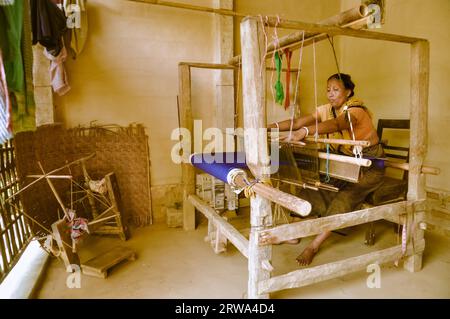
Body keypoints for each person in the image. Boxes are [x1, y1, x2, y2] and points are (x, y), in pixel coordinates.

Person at [268, 73, 385, 266]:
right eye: (328, 89)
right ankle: (293, 233)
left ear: (348, 92)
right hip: (346, 164)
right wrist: (266, 128)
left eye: (336, 90)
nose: (330, 94)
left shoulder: (357, 111)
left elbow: (338, 124)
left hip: (370, 167)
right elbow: (297, 122)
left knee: (344, 198)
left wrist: (304, 132)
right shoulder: (326, 110)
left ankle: (313, 246)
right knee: (314, 189)